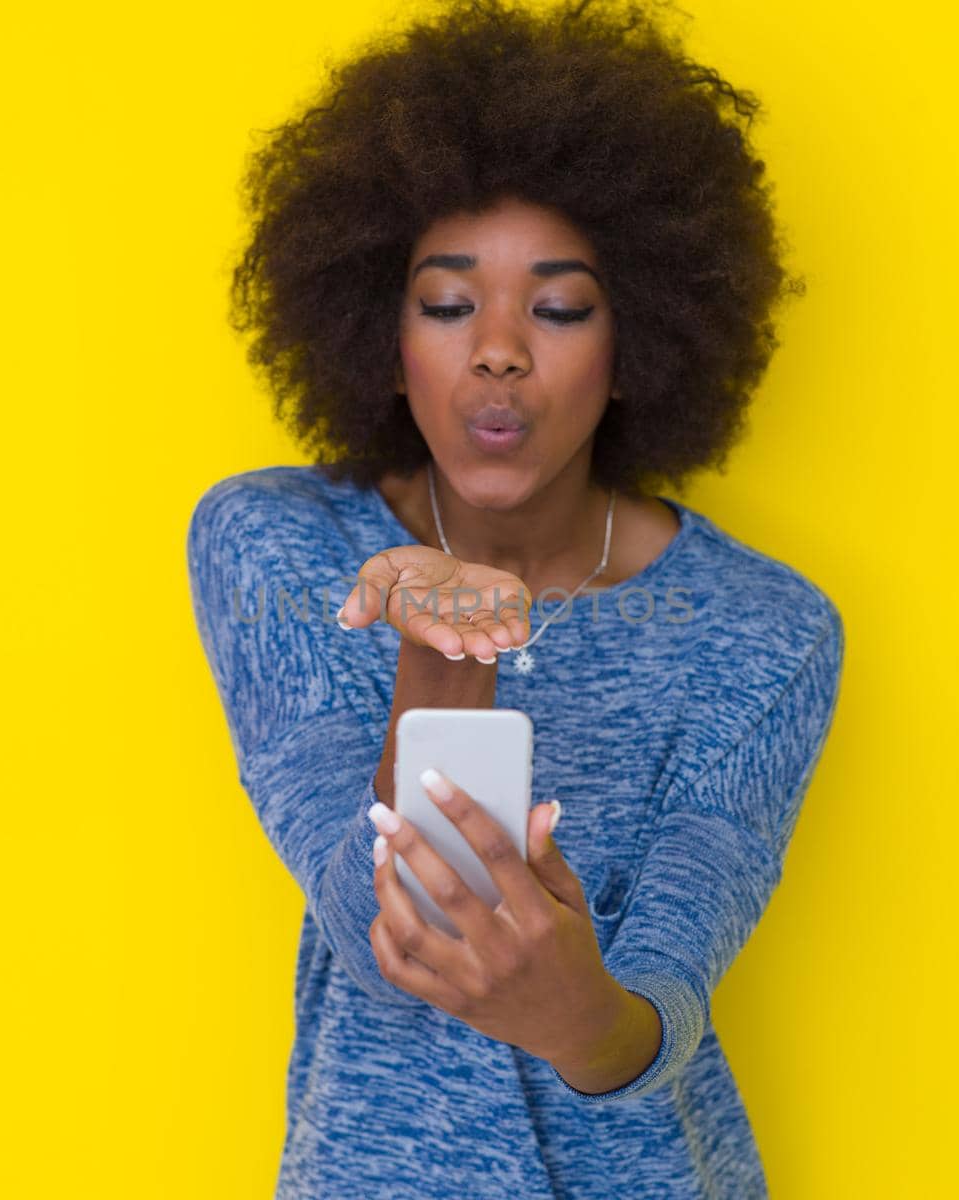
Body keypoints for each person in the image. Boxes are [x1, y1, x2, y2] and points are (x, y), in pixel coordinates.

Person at [186, 1, 845, 1195]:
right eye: (447, 305)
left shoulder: (766, 634)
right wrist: (446, 647)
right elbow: (366, 919)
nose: (498, 349)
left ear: (634, 338)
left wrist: (575, 1013)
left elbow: (663, 1002)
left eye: (557, 307)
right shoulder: (274, 548)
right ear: (382, 340)